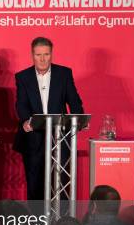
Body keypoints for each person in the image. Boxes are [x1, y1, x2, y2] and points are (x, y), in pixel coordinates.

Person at [13, 37, 84, 201]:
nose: (42, 59)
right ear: (32, 55)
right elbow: (21, 104)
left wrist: (78, 120)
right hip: (33, 138)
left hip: (60, 138)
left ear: (51, 54)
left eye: (46, 54)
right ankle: (37, 224)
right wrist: (25, 121)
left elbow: (74, 101)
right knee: (35, 185)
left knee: (61, 183)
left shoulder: (64, 74)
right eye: (38, 55)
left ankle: (62, 224)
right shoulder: (23, 77)